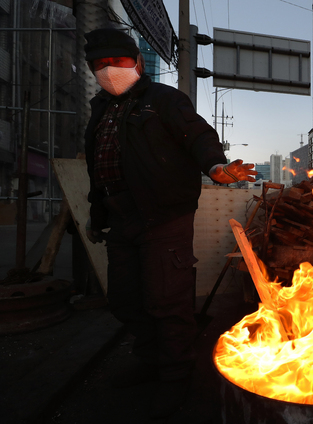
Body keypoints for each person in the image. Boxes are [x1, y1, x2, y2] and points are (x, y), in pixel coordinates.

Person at [82, 28, 256, 418]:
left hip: (164, 217)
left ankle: (177, 375)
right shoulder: (100, 109)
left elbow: (197, 136)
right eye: (100, 64)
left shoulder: (163, 100)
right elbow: (99, 169)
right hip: (121, 219)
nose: (110, 69)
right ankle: (150, 361)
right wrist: (98, 217)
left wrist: (217, 166)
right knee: (126, 298)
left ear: (138, 64)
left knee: (167, 299)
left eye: (120, 61)